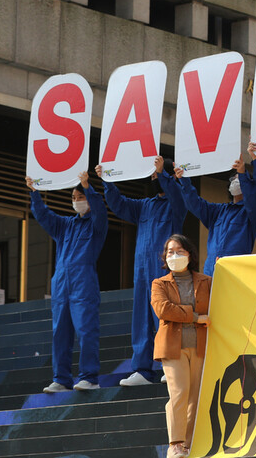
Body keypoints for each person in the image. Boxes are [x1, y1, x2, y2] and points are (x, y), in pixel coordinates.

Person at [97, 156, 187, 386]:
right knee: (142, 320)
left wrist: (164, 173)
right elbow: (120, 205)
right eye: (153, 174)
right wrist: (107, 181)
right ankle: (142, 370)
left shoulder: (177, 203)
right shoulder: (145, 205)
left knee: (165, 317)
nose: (154, 177)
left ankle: (171, 364)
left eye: (157, 174)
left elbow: (176, 193)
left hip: (164, 269)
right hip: (142, 270)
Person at [26, 171, 108, 393]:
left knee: (86, 330)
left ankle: (89, 377)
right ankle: (61, 379)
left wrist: (87, 187)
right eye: (73, 198)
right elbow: (43, 215)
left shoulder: (97, 225)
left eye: (80, 197)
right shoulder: (65, 225)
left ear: (89, 200)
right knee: (60, 333)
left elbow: (100, 209)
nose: (76, 201)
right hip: (61, 284)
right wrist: (34, 192)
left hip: (84, 283)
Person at [151, 234, 211, 458]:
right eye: (170, 252)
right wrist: (196, 317)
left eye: (179, 251)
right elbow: (163, 310)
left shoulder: (207, 281)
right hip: (172, 347)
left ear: (190, 254)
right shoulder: (159, 283)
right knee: (179, 392)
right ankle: (175, 444)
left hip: (200, 346)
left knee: (195, 396)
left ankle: (189, 444)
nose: (174, 256)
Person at [169, 157, 256, 277]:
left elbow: (252, 199)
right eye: (234, 178)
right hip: (211, 270)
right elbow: (194, 203)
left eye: (239, 179)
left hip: (236, 272)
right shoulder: (218, 211)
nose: (236, 180)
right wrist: (183, 180)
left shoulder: (252, 213)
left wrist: (243, 173)